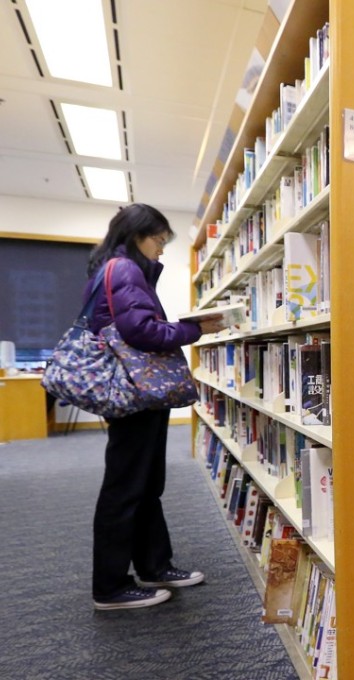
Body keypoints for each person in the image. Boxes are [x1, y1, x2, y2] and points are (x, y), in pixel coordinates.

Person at [87, 204, 224, 610]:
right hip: (137, 392)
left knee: (144, 484)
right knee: (127, 486)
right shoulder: (124, 269)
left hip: (137, 391)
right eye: (159, 241)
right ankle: (110, 586)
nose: (162, 250)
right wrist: (195, 328)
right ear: (137, 236)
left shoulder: (116, 268)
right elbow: (141, 331)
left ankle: (154, 565)